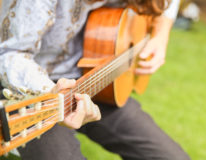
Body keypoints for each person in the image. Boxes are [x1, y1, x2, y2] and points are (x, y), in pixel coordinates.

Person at [0, 0, 190, 159]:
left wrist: (160, 35)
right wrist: (52, 91)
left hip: (98, 80)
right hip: (34, 91)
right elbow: (8, 53)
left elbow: (167, 4)